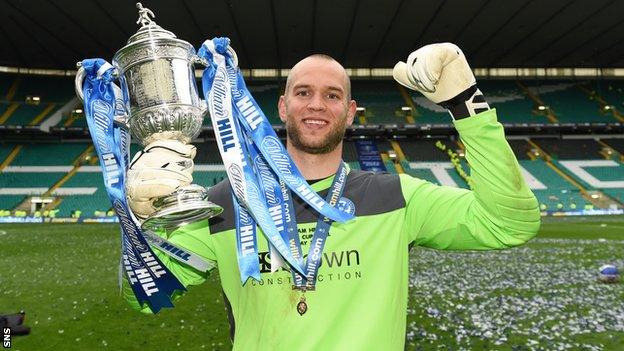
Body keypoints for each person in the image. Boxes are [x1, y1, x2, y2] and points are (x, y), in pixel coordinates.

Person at [123, 43, 541, 350]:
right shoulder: (228, 204)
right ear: (284, 107)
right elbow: (144, 296)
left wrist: (468, 106)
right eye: (303, 93)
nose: (316, 105)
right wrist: (140, 221)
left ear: (351, 110)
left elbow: (509, 224)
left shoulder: (394, 197)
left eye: (332, 95)